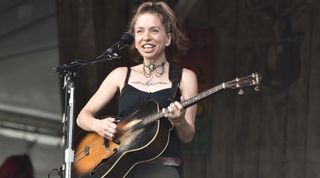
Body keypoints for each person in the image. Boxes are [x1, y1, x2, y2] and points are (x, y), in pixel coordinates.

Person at [76, 1, 198, 178]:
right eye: (140, 31)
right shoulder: (120, 75)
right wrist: (98, 125)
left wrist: (179, 121)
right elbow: (82, 117)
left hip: (163, 167)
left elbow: (188, 136)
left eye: (154, 30)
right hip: (121, 165)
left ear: (168, 38)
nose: (146, 37)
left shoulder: (185, 77)